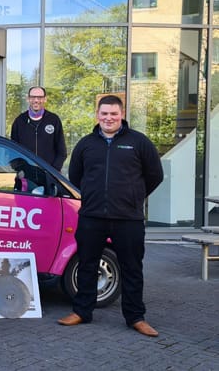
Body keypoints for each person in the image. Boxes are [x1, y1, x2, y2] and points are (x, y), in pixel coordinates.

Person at [58, 95, 164, 338]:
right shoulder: (86, 144)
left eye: (113, 114)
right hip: (92, 217)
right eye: (104, 114)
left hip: (128, 218)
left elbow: (155, 175)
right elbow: (76, 176)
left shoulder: (139, 142)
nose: (109, 118)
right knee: (87, 265)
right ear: (97, 115)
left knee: (132, 269)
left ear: (122, 114)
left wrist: (135, 196)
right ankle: (82, 311)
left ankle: (135, 317)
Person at [10, 86, 67, 171]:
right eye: (33, 97)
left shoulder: (53, 120)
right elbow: (12, 151)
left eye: (40, 97)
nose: (36, 100)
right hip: (26, 176)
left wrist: (54, 171)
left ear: (45, 99)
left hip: (49, 175)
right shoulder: (20, 121)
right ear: (28, 99)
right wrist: (19, 169)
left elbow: (61, 151)